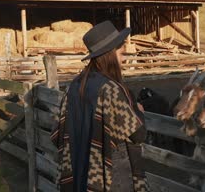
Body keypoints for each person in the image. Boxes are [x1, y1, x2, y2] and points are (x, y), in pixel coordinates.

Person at [51, 21, 148, 192]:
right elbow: (138, 134)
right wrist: (138, 113)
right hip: (109, 175)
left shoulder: (74, 86)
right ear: (110, 55)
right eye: (121, 54)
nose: (124, 60)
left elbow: (58, 132)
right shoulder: (111, 89)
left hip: (77, 169)